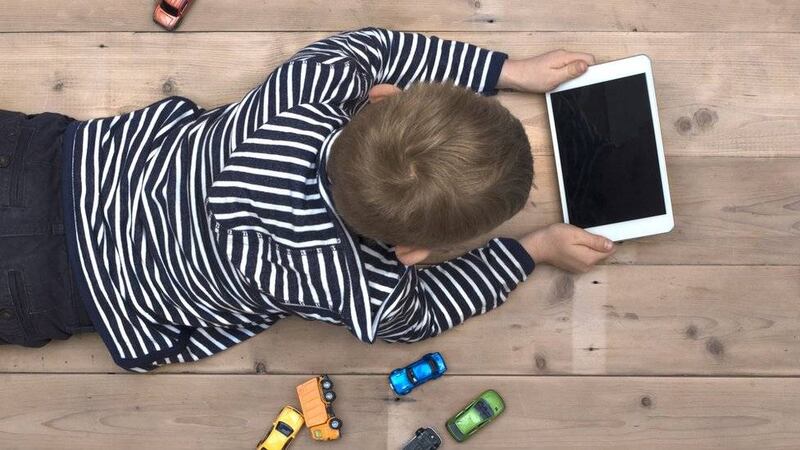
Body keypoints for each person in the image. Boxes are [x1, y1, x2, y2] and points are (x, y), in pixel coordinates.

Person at [0, 28, 614, 372]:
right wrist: (532, 250)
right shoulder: (360, 282)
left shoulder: (311, 87)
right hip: (66, 289)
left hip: (50, 163)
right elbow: (423, 312)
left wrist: (506, 69)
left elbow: (375, 48)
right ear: (412, 250)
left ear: (381, 98)